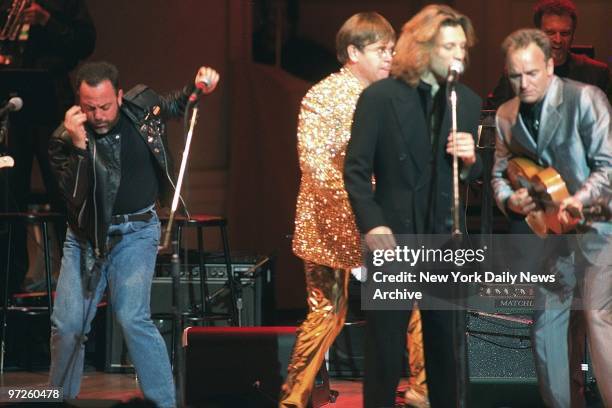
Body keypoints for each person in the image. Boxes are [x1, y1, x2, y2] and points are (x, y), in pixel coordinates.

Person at [47, 61, 220, 408]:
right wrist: (80, 148)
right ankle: (56, 401)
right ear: (78, 104)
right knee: (67, 325)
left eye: (105, 106)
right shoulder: (63, 140)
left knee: (131, 315)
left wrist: (198, 86)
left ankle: (164, 404)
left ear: (120, 96)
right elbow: (74, 198)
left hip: (137, 231)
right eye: (89, 108)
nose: (98, 115)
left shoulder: (142, 107)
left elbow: (175, 104)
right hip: (85, 238)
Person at [344, 4, 482, 408]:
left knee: (445, 349)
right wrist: (372, 223)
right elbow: (355, 169)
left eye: (463, 46)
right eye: (449, 45)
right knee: (386, 350)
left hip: (443, 240)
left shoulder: (466, 102)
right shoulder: (381, 97)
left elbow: (467, 178)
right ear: (423, 47)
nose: (460, 55)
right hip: (394, 237)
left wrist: (473, 161)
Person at [280, 12, 397, 408]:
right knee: (327, 313)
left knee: (416, 304)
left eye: (392, 50)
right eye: (382, 50)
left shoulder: (389, 96)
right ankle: (292, 399)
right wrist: (365, 212)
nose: (389, 58)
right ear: (352, 52)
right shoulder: (323, 97)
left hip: (381, 222)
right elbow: (315, 166)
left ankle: (421, 395)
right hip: (330, 223)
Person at [491, 29, 611, 408]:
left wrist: (578, 198)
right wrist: (511, 201)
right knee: (546, 327)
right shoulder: (506, 115)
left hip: (598, 227)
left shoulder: (585, 99)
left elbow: (608, 166)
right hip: (549, 235)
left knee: (596, 316)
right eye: (514, 75)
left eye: (530, 73)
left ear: (550, 64)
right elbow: (499, 174)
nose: (522, 83)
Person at [0, 0, 96, 296]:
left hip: (51, 96)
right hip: (10, 97)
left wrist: (46, 20)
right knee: (9, 192)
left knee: (62, 188)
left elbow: (84, 42)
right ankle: (10, 282)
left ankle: (74, 277)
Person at [485, 0, 610, 110]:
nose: (558, 40)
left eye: (565, 33)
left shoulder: (597, 74)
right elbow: (491, 118)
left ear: (573, 35)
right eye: (550, 33)